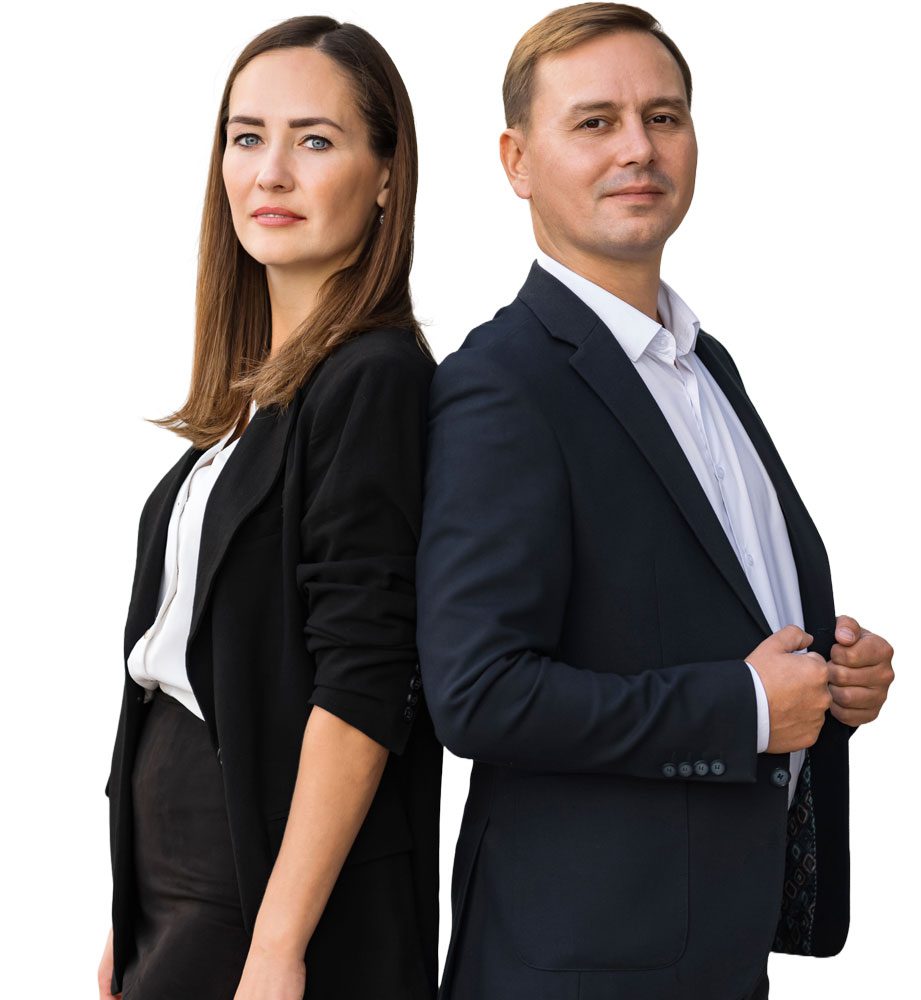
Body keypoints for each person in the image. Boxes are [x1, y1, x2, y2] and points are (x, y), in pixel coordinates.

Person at [416, 4, 894, 999]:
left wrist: (829, 686)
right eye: (594, 121)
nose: (637, 147)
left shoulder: (704, 365)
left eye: (663, 117)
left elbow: (705, 621)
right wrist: (745, 705)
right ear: (516, 161)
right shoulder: (502, 383)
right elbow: (479, 692)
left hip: (715, 950)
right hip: (582, 968)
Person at [98, 16, 440, 1000]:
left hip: (254, 885)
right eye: (247, 137)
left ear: (386, 177)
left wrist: (277, 944)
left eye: (315, 140)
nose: (271, 172)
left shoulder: (372, 378)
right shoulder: (251, 407)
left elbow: (363, 682)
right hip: (179, 881)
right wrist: (128, 904)